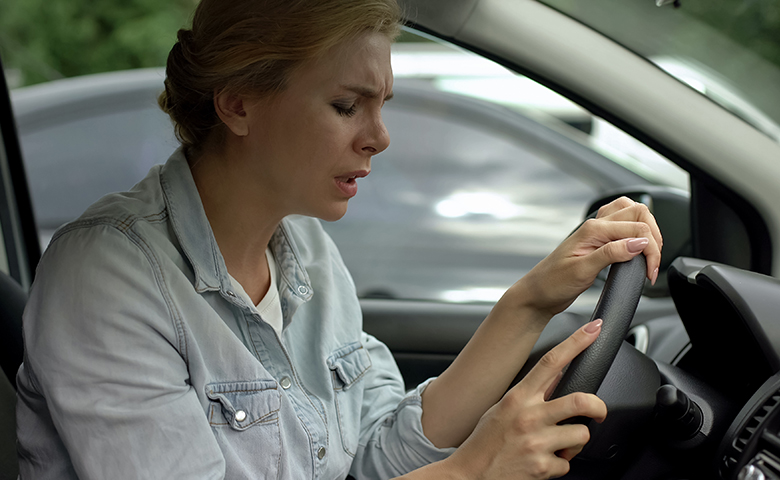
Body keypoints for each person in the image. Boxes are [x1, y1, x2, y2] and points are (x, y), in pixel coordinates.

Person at [14, 0, 662, 478]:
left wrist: (532, 301)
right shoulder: (104, 279)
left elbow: (379, 455)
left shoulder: (305, 249)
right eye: (347, 106)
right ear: (238, 103)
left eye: (382, 106)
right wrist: (473, 469)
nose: (379, 137)